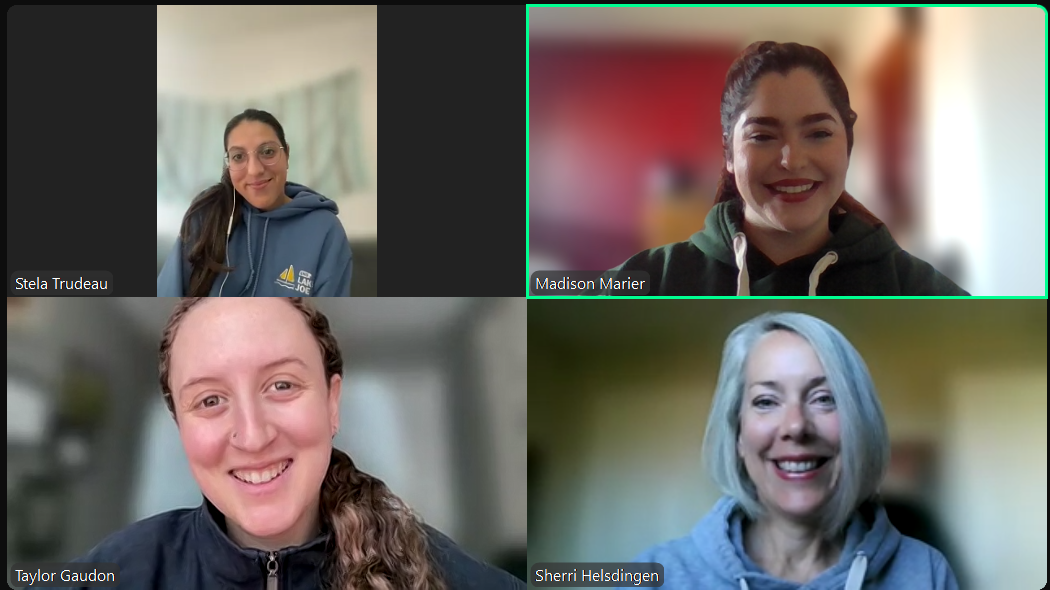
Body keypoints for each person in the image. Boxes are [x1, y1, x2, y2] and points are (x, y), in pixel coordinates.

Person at [40, 298, 524, 590]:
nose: (252, 435)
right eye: (210, 399)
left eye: (282, 386)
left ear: (332, 403)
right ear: (180, 427)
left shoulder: (426, 566)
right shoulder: (126, 569)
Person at [619, 312, 960, 589]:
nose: (796, 426)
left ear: (859, 426)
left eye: (824, 399)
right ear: (738, 434)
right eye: (766, 401)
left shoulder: (925, 572)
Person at [605, 42, 968, 296]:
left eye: (819, 133)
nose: (792, 160)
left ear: (849, 145)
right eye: (762, 136)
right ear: (728, 155)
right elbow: (550, 288)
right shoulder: (651, 280)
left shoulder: (911, 289)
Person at [157, 109, 354, 297]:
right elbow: (167, 296)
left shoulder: (325, 230)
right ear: (229, 165)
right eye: (238, 156)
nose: (254, 170)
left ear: (286, 154)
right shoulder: (206, 214)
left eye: (267, 152)